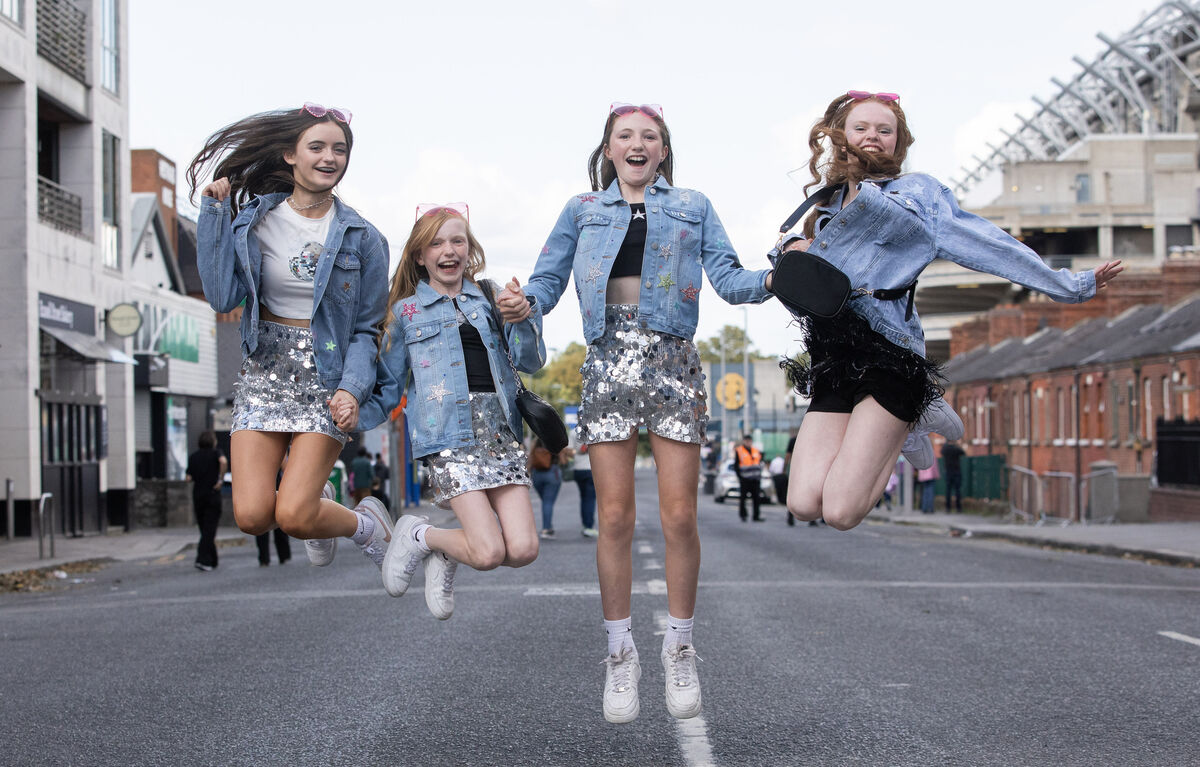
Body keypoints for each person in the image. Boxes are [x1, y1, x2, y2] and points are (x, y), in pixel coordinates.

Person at [496, 102, 776, 723]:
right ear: (609, 149)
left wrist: (783, 272)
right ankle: (620, 654)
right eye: (626, 136)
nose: (638, 143)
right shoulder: (581, 210)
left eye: (650, 136)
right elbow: (545, 284)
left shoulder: (694, 206)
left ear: (665, 150)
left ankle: (680, 646)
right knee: (616, 516)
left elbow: (730, 279)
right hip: (607, 362)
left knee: (680, 516)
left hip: (673, 361)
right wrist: (521, 304)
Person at [772, 91, 1123, 532]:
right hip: (834, 359)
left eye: (885, 130)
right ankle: (910, 420)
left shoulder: (920, 194)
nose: (873, 138)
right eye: (861, 128)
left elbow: (988, 243)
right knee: (803, 503)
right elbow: (794, 286)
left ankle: (910, 412)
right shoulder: (824, 206)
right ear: (841, 137)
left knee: (840, 513)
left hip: (888, 354)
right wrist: (790, 248)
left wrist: (1071, 284)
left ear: (898, 143)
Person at [189, 103, 394, 577]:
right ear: (289, 155)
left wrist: (352, 389)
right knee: (252, 516)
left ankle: (365, 525)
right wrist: (215, 214)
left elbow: (367, 330)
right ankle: (322, 498)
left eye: (339, 150)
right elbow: (221, 296)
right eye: (317, 147)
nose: (329, 157)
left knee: (296, 517)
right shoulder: (252, 223)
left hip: (325, 377)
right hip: (264, 372)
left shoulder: (364, 238)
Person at [355, 204, 545, 621]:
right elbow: (389, 384)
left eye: (457, 240)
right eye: (435, 242)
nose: (448, 250)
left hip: (500, 436)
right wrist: (353, 413)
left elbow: (530, 361)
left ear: (469, 248)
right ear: (420, 256)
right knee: (489, 551)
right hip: (448, 438)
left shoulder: (493, 297)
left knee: (525, 549)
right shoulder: (404, 313)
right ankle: (422, 536)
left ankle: (436, 545)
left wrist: (524, 316)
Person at [185, 431, 227, 571]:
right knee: (210, 529)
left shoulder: (193, 456)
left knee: (204, 529)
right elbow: (223, 461)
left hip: (198, 495)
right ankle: (202, 559)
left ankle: (213, 560)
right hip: (212, 494)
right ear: (213, 441)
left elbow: (188, 478)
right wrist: (220, 480)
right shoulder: (216, 453)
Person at [529, 438, 562, 539]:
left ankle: (548, 526)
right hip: (552, 473)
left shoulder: (536, 442)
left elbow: (531, 457)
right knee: (548, 502)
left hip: (537, 474)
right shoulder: (553, 439)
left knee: (545, 501)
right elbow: (562, 454)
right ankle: (546, 529)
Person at [735, 434, 765, 523]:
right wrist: (740, 477)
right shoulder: (739, 451)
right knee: (743, 498)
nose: (748, 442)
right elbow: (736, 465)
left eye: (749, 441)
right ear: (744, 441)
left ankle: (756, 516)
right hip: (745, 479)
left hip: (755, 479)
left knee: (756, 498)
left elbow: (760, 463)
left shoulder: (756, 451)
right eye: (746, 441)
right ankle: (743, 515)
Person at [573, 443, 598, 538]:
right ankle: (588, 527)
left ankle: (585, 525)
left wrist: (577, 452)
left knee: (583, 498)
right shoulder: (595, 428)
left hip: (578, 470)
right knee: (590, 499)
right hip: (590, 468)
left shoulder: (573, 432)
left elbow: (569, 450)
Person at [941, 439, 966, 512]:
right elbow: (963, 452)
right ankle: (958, 508)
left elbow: (941, 452)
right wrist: (958, 445)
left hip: (948, 471)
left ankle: (948, 508)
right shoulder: (956, 449)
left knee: (948, 490)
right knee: (957, 490)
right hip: (956, 471)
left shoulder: (945, 449)